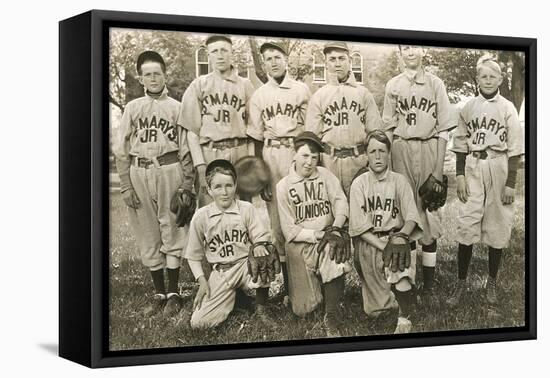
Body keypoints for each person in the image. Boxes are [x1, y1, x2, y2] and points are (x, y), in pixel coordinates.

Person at [112, 51, 195, 317]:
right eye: (147, 74)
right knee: (147, 231)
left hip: (169, 169)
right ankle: (158, 293)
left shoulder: (177, 107)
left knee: (172, 227)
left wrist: (187, 183)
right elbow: (121, 149)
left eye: (157, 73)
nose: (153, 78)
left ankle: (173, 293)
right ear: (140, 78)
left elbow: (185, 148)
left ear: (165, 75)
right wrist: (125, 185)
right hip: (139, 170)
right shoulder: (132, 108)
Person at [446, 56, 524, 306]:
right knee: (467, 223)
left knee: (497, 224)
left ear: (501, 79)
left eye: (493, 76)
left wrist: (511, 183)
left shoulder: (508, 108)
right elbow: (459, 144)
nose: (488, 80)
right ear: (477, 79)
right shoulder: (468, 107)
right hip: (474, 166)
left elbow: (514, 148)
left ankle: (491, 282)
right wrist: (459, 176)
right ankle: (461, 283)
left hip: (499, 166)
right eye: (483, 76)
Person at [382, 45, 456, 300]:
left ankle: (430, 285)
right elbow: (389, 128)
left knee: (429, 212)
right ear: (400, 52)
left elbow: (444, 128)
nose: (410, 52)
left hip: (428, 147)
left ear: (423, 50)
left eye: (415, 46)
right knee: (406, 214)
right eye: (405, 48)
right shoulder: (393, 85)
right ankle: (407, 281)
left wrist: (437, 170)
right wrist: (389, 165)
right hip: (401, 148)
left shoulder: (436, 84)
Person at [247, 41, 312, 302]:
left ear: (287, 59)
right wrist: (259, 175)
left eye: (277, 57)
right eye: (267, 59)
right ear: (263, 64)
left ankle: (308, 281)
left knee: (303, 213)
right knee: (278, 224)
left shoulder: (302, 89)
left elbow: (309, 132)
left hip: (296, 152)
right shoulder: (260, 94)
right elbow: (255, 138)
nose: (273, 62)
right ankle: (288, 286)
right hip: (272, 155)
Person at [276, 131, 352, 337]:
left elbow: (341, 203)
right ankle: (317, 291)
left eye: (314, 157)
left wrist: (336, 228)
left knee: (332, 247)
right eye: (304, 156)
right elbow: (289, 231)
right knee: (303, 310)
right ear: (294, 155)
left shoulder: (326, 176)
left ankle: (332, 315)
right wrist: (318, 234)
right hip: (300, 244)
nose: (309, 162)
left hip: (327, 238)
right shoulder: (283, 186)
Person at [185, 159, 274, 328]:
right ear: (209, 190)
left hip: (246, 265)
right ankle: (239, 300)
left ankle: (262, 307)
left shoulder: (246, 209)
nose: (224, 192)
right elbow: (193, 256)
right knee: (199, 323)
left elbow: (261, 237)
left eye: (228, 186)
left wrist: (261, 246)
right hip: (221, 272)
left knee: (264, 257)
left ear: (235, 186)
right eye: (217, 187)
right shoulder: (201, 216)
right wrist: (202, 281)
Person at [349, 130, 422, 334]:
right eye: (373, 151)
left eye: (382, 151)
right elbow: (359, 228)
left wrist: (400, 237)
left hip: (394, 238)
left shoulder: (400, 180)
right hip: (371, 243)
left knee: (400, 260)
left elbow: (412, 218)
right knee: (377, 310)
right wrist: (384, 246)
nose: (378, 156)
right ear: (367, 155)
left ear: (389, 153)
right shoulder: (359, 183)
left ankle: (404, 316)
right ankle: (400, 293)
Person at [179, 35, 256, 206]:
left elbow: (252, 131)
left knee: (243, 208)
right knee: (210, 209)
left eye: (224, 50)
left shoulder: (245, 85)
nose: (220, 55)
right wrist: (200, 166)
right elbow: (192, 133)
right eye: (214, 51)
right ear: (208, 55)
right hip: (210, 153)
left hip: (239, 151)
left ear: (232, 53)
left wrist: (250, 161)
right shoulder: (199, 85)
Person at [306, 41, 382, 198]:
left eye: (342, 58)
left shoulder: (363, 93)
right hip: (329, 163)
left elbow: (375, 134)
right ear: (326, 63)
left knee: (361, 211)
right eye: (332, 59)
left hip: (358, 161)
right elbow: (312, 139)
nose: (337, 64)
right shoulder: (319, 96)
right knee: (332, 214)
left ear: (350, 61)